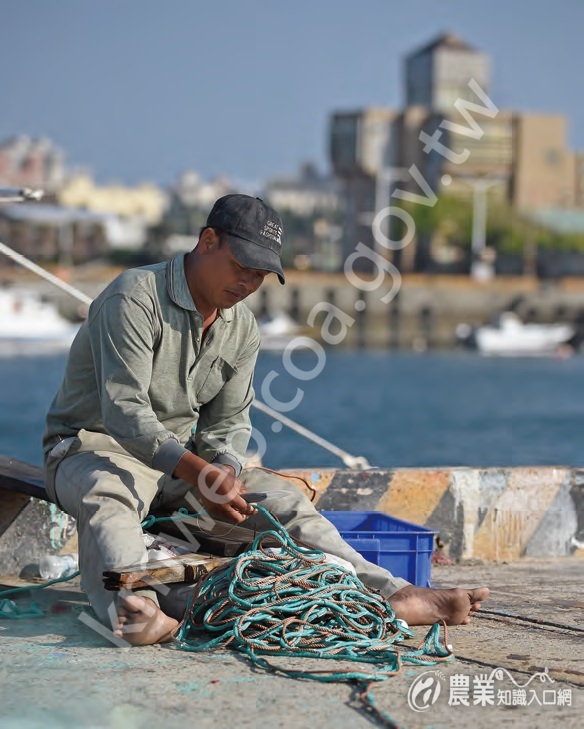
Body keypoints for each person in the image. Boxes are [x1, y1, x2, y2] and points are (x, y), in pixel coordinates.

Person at [43, 194, 488, 646]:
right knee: (111, 495)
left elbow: (230, 423)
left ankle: (393, 593)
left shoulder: (242, 328)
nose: (249, 282)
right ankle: (135, 612)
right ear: (208, 241)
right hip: (92, 449)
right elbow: (125, 413)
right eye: (242, 266)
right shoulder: (134, 297)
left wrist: (225, 473)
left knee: (282, 499)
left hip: (178, 467)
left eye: (260, 274)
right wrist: (199, 474)